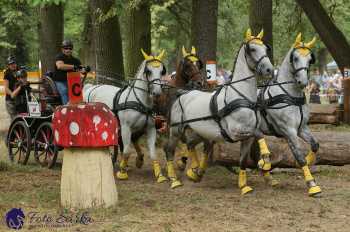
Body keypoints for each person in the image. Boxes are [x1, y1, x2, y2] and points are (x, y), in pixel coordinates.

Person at [53, 39, 82, 104]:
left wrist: (85, 69)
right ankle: (67, 107)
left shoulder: (76, 60)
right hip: (60, 81)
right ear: (62, 49)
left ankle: (78, 106)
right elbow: (60, 66)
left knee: (79, 90)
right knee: (64, 90)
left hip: (72, 82)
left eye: (70, 48)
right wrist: (74, 67)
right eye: (66, 48)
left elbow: (81, 69)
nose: (68, 50)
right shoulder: (59, 57)